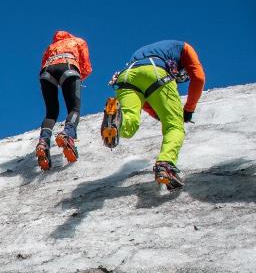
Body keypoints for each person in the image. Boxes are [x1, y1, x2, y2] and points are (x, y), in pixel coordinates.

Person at [101, 40, 205, 190]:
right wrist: (188, 110)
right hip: (156, 72)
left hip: (125, 76)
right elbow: (199, 78)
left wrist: (159, 115)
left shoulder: (145, 51)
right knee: (174, 126)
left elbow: (146, 101)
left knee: (129, 124)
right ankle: (165, 165)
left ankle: (116, 118)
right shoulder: (185, 48)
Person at [35, 30, 92, 171]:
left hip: (46, 72)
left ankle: (43, 142)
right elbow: (86, 66)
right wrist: (77, 80)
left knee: (51, 112)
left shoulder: (50, 47)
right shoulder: (78, 41)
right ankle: (68, 134)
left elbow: (42, 63)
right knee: (74, 108)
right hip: (68, 67)